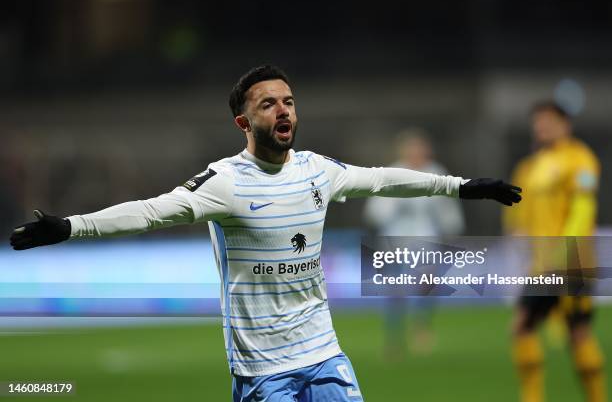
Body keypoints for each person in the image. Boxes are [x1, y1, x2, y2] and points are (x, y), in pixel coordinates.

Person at [10, 65, 521, 402]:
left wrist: (462, 187)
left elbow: (384, 178)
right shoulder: (225, 182)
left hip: (324, 353)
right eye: (269, 104)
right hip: (262, 370)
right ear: (243, 121)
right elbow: (150, 212)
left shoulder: (319, 171)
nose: (284, 110)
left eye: (290, 101)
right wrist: (70, 226)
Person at [504, 101, 606, 402]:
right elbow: (519, 213)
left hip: (571, 262)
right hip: (542, 265)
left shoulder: (580, 159)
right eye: (537, 122)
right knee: (527, 327)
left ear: (565, 124)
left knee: (574, 332)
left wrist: (564, 251)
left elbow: (583, 207)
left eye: (547, 121)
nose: (541, 127)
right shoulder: (530, 166)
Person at [363, 129, 465, 358]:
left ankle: (421, 327)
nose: (417, 153)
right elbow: (375, 210)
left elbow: (448, 206)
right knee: (395, 289)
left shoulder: (436, 172)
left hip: (425, 238)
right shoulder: (391, 172)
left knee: (427, 283)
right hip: (395, 239)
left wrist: (452, 227)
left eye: (421, 148)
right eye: (412, 149)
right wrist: (393, 204)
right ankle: (394, 337)